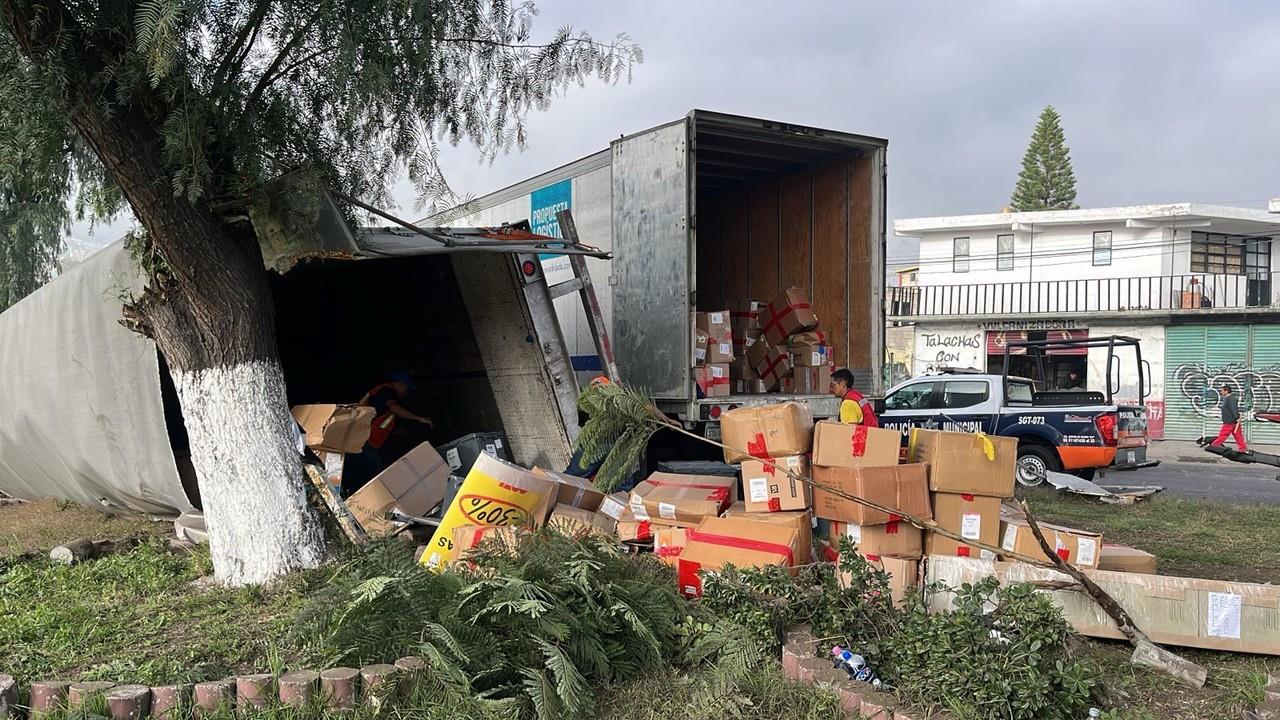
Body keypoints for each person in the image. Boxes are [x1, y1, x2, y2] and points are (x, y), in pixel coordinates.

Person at [342, 372, 432, 495]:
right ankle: (351, 494)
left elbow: (381, 422)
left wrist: (397, 432)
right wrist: (419, 418)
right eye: (406, 388)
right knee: (374, 474)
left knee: (360, 471)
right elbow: (394, 408)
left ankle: (350, 493)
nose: (405, 393)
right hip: (364, 440)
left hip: (366, 441)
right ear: (401, 384)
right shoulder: (388, 391)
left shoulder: (383, 394)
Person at [1210, 384, 1248, 452]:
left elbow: (1234, 409)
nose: (1221, 392)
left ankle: (1214, 445)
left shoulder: (1231, 399)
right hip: (1232, 421)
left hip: (1230, 421)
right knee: (1238, 436)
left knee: (1223, 435)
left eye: (1222, 391)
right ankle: (1243, 448)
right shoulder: (1228, 399)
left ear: (1226, 391)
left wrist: (1237, 417)